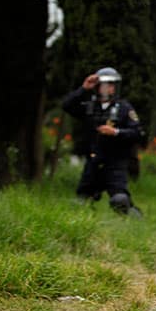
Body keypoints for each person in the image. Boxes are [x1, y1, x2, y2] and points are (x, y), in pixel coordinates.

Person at [61, 67, 143, 215]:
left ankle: (135, 225)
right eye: (104, 85)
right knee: (80, 202)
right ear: (98, 87)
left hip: (116, 162)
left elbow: (137, 132)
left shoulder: (124, 108)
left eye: (111, 85)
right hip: (94, 160)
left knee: (120, 201)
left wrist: (116, 132)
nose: (108, 89)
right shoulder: (90, 107)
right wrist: (83, 88)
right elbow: (66, 105)